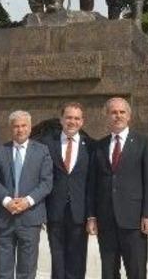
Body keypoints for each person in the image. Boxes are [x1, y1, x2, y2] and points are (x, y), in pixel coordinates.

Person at [86, 97, 148, 279]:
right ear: (107, 116)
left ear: (129, 116)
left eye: (122, 112)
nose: (118, 116)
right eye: (113, 112)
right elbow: (92, 184)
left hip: (134, 220)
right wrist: (92, 216)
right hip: (106, 220)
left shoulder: (143, 142)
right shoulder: (99, 146)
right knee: (109, 272)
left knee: (136, 271)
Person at [0, 110, 53, 279]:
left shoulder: (42, 151)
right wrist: (7, 201)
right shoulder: (0, 151)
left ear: (30, 128)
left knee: (27, 269)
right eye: (16, 126)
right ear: (11, 128)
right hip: (4, 216)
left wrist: (27, 201)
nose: (20, 130)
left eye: (24, 125)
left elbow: (46, 182)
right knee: (3, 270)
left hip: (30, 217)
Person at [38, 102, 94, 279]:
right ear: (61, 119)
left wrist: (91, 215)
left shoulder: (91, 146)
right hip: (54, 211)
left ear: (82, 121)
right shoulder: (46, 144)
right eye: (69, 117)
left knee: (78, 259)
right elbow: (40, 178)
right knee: (57, 259)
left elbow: (92, 183)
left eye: (77, 118)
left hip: (79, 212)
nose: (72, 121)